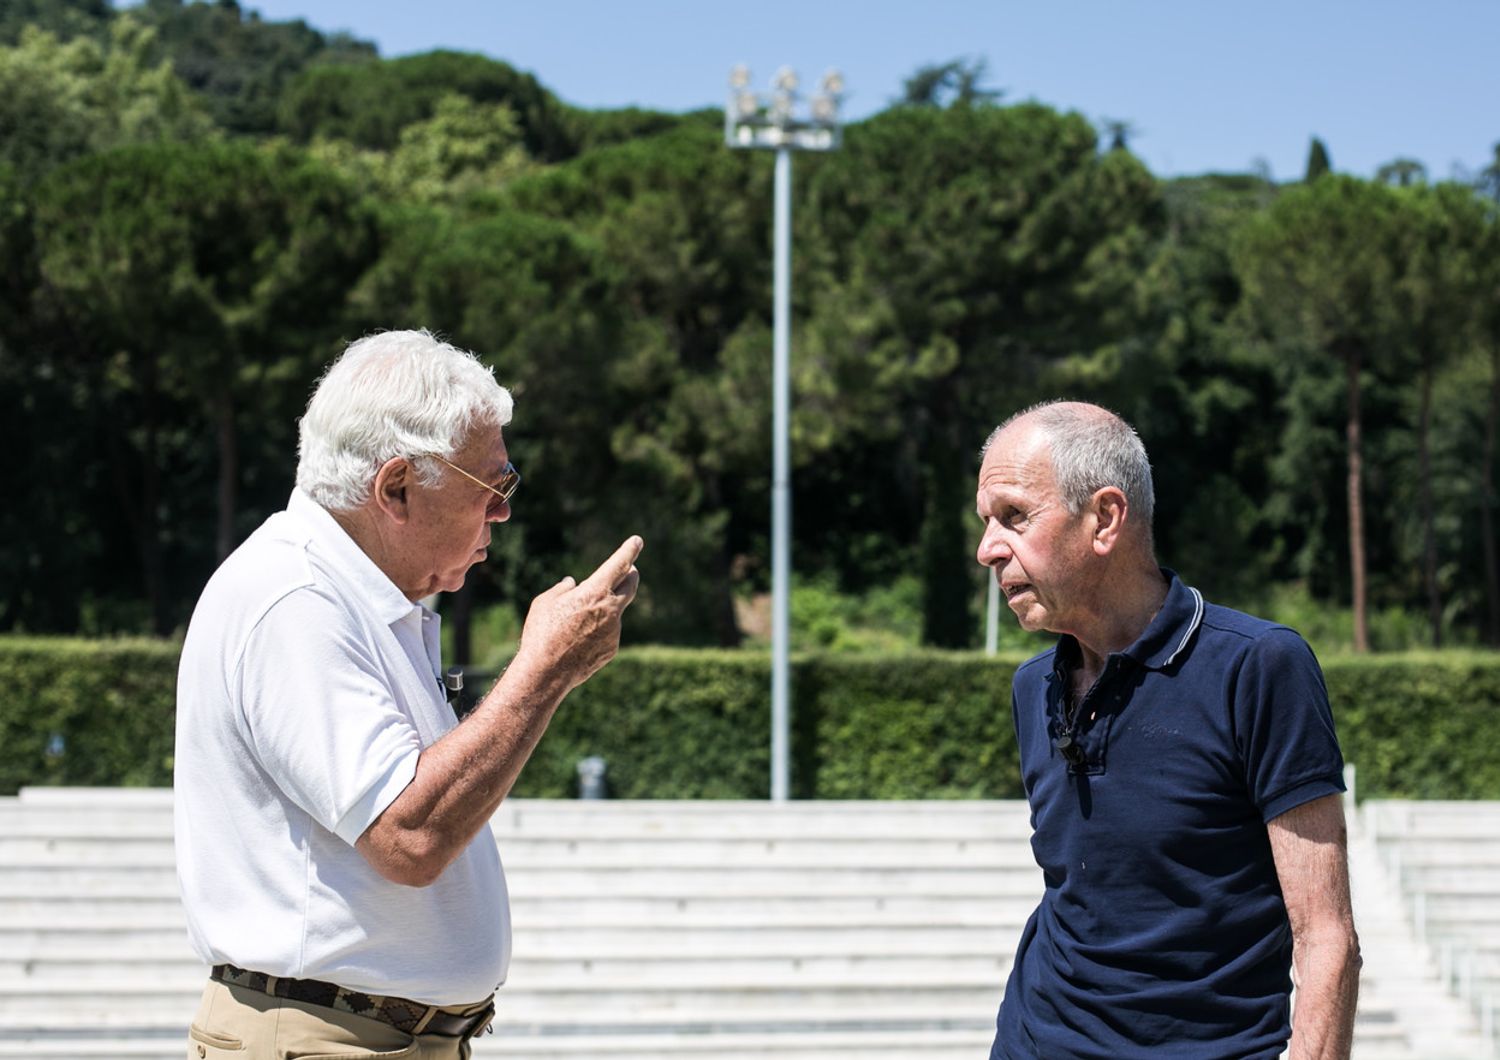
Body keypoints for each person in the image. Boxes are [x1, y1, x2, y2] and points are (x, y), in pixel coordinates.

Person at [174, 329, 642, 1059]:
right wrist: (544, 671)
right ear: (395, 488)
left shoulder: (353, 598)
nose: (504, 513)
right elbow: (410, 836)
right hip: (323, 1042)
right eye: (494, 486)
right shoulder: (294, 597)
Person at [974, 400, 1360, 1060]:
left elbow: (1328, 939)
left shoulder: (1261, 667)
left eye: (1015, 516)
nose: (987, 550)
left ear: (1105, 519)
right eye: (985, 523)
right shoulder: (1030, 686)